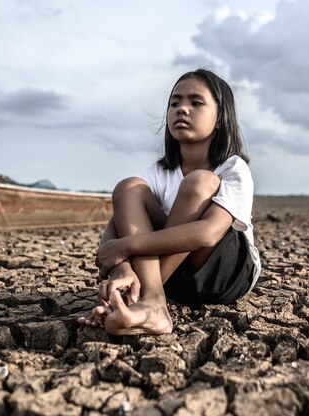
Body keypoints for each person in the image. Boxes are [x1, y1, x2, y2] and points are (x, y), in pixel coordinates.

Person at [78, 69, 261, 335]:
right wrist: (121, 270)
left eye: (195, 103)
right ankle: (145, 304)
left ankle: (144, 300)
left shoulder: (233, 168)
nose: (182, 109)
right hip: (170, 278)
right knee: (129, 188)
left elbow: (208, 233)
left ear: (220, 118)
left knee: (200, 183)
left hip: (224, 274)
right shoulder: (158, 172)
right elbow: (119, 223)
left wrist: (127, 246)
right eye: (175, 103)